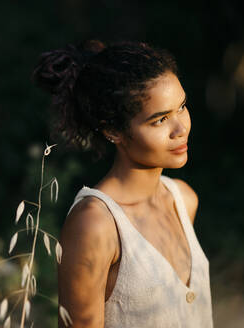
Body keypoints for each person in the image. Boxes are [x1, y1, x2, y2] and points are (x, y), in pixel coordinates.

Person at [32, 40, 213, 328]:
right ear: (113, 130)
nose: (181, 129)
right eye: (160, 119)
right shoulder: (95, 224)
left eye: (181, 107)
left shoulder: (184, 199)